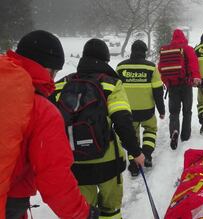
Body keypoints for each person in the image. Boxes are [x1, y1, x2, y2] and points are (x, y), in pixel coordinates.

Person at [1, 30, 97, 219]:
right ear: (45, 67)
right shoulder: (40, 109)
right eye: (54, 71)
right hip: (10, 202)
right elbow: (54, 177)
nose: (53, 79)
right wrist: (82, 214)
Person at [51, 39, 145, 218]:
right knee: (111, 210)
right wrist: (136, 152)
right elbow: (122, 121)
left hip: (74, 162)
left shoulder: (62, 84)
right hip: (108, 162)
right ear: (106, 60)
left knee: (84, 211)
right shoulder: (111, 84)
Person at [116, 40, 165, 175]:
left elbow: (116, 90)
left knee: (132, 137)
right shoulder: (150, 67)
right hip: (147, 110)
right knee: (150, 130)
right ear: (145, 52)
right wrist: (161, 110)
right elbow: (158, 91)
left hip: (128, 111)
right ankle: (147, 155)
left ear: (132, 51)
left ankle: (133, 165)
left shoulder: (121, 67)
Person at [158, 29, 201, 149]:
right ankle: (186, 136)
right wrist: (196, 77)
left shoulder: (167, 50)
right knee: (187, 111)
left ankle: (174, 131)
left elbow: (161, 68)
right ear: (183, 36)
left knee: (174, 112)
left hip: (173, 86)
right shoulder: (188, 49)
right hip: (186, 85)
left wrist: (167, 82)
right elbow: (193, 64)